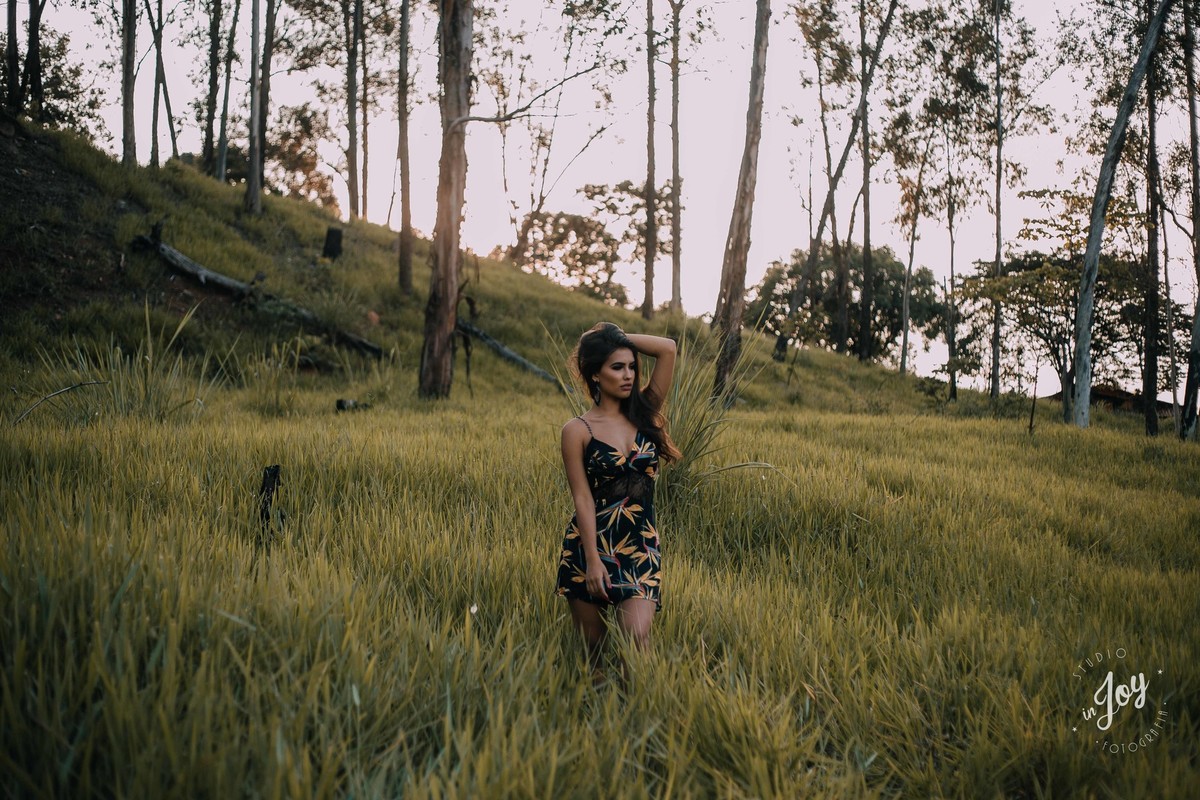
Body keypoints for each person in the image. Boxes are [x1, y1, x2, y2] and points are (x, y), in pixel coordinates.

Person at [554, 322, 680, 687]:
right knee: (592, 655)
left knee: (637, 637)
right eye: (616, 367)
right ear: (595, 374)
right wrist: (593, 561)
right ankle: (594, 722)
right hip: (589, 548)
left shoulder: (644, 412)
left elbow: (668, 348)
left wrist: (616, 340)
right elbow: (582, 498)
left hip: (640, 546)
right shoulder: (577, 430)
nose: (628, 375)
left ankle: (636, 715)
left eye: (631, 366)